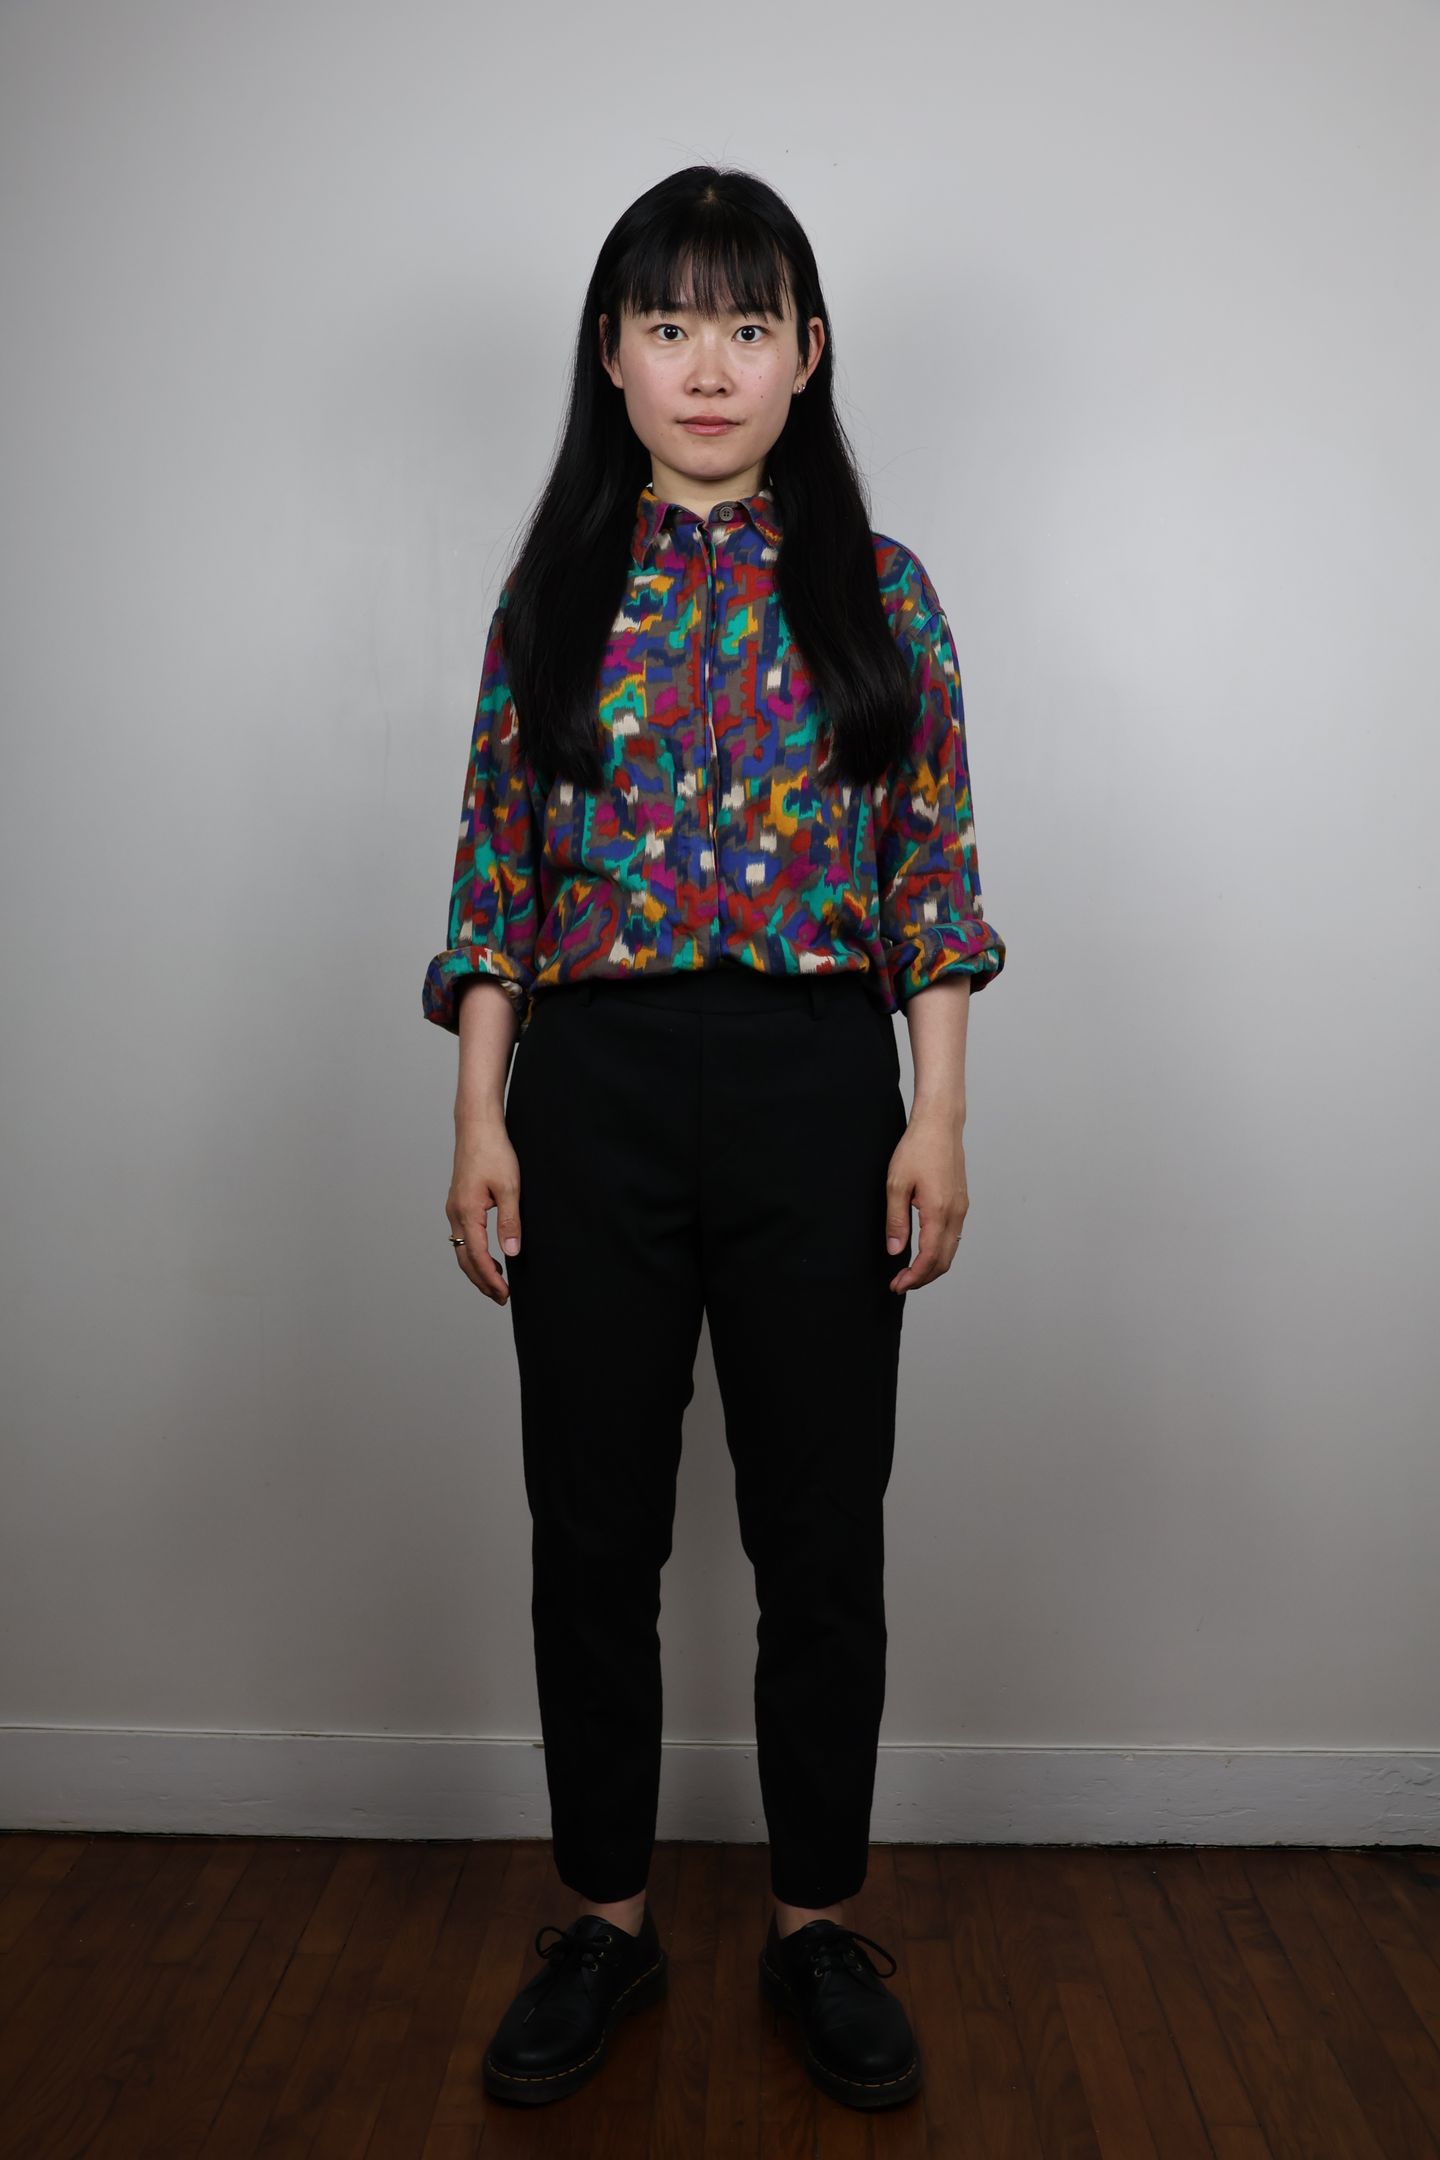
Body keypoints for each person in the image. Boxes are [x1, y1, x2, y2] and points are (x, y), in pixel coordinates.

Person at [421, 164, 1006, 2113]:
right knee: (591, 1529)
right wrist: (479, 1115)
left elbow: (933, 874)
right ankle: (604, 1919)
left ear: (807, 354)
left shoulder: (880, 590)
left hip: (815, 1087)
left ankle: (816, 1924)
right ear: (610, 352)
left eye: (747, 325)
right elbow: (495, 879)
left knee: (818, 1530)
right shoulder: (552, 598)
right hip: (588, 1089)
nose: (707, 365)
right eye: (668, 324)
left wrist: (935, 1116)